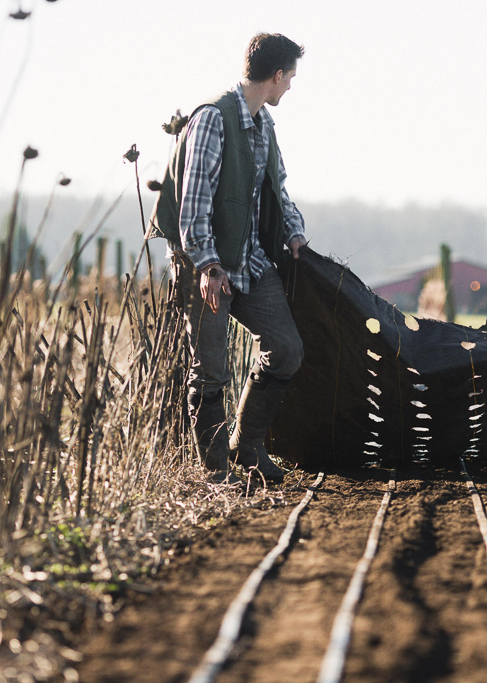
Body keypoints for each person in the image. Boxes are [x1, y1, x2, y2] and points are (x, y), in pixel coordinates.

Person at [150, 33, 308, 485]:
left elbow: (277, 189)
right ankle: (216, 473)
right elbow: (192, 202)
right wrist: (207, 265)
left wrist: (294, 233)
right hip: (209, 268)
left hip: (250, 263)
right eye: (291, 78)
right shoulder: (212, 119)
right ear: (276, 76)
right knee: (211, 371)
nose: (290, 88)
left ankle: (248, 447)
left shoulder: (263, 125)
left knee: (287, 350)